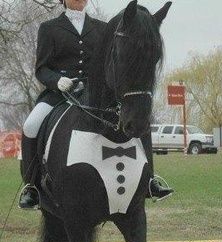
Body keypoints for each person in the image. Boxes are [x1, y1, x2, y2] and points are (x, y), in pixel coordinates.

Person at [19, 0, 173, 209]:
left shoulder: (102, 28)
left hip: (95, 94)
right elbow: (41, 68)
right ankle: (31, 187)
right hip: (60, 93)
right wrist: (57, 81)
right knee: (30, 125)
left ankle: (150, 180)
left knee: (139, 121)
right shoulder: (49, 28)